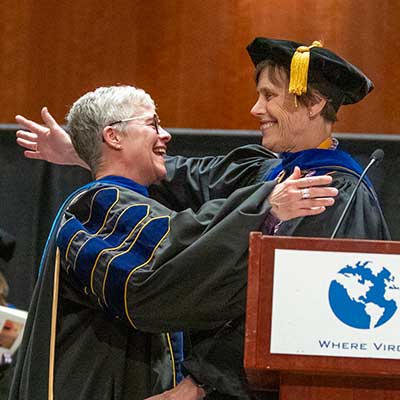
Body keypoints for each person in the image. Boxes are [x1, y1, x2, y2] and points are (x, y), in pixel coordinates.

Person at [9, 85, 337, 400]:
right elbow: (172, 260)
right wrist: (264, 205)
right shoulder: (97, 206)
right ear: (113, 136)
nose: (166, 135)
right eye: (153, 124)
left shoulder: (125, 204)